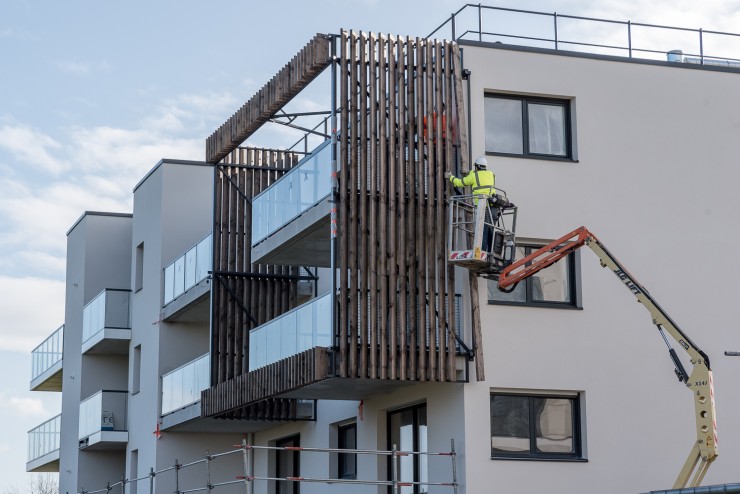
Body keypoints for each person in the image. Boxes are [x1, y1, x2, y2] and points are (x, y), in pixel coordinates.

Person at [445, 156, 497, 252]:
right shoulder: (491, 174)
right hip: (493, 208)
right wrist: (469, 172)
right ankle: (491, 252)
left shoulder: (474, 176)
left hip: (482, 207)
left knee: (483, 230)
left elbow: (460, 183)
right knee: (491, 230)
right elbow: (481, 177)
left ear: (477, 167)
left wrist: (450, 177)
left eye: (475, 167)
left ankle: (482, 252)